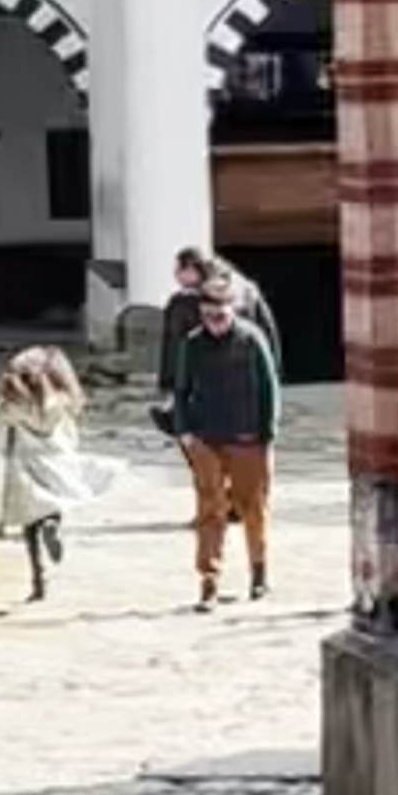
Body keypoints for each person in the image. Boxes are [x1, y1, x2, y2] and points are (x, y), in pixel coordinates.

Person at [156, 256, 281, 608]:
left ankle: (259, 575)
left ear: (233, 311)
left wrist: (267, 434)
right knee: (210, 511)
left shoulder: (251, 340)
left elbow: (270, 388)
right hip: (206, 438)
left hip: (248, 437)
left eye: (222, 316)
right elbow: (181, 389)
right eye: (209, 316)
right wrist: (185, 432)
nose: (216, 323)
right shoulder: (193, 344)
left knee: (253, 507)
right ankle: (209, 582)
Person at [0, 340, 88, 611]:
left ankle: (39, 579)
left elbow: (2, 427)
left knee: (28, 524)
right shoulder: (60, 402)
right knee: (54, 502)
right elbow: (73, 421)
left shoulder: (14, 408)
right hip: (57, 459)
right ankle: (53, 524)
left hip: (27, 463)